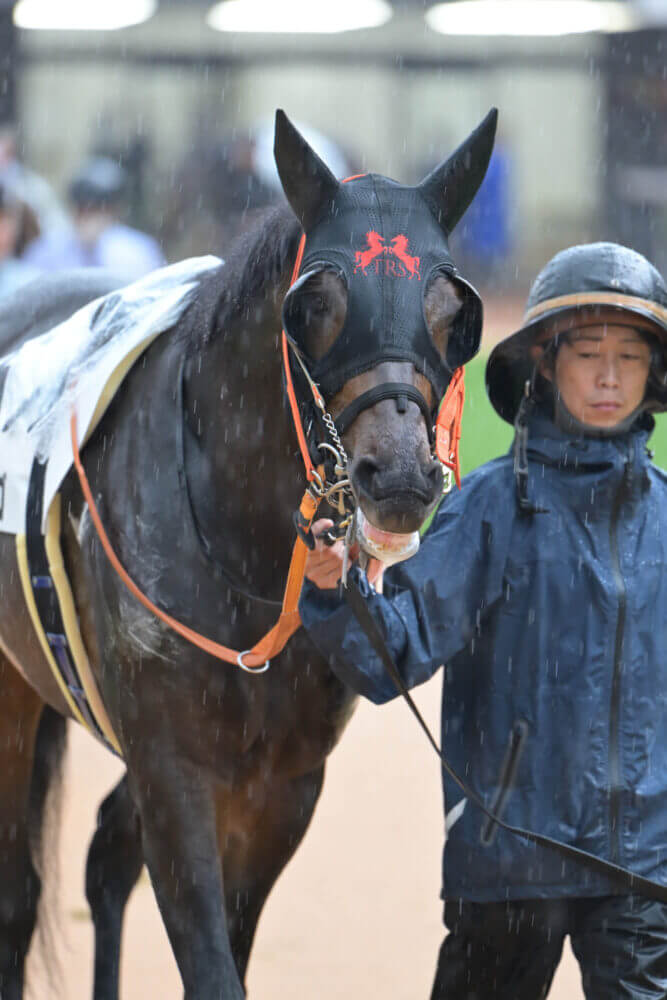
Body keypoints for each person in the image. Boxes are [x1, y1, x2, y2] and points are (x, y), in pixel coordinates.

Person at [300, 241, 667, 999]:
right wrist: (340, 593)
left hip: (641, 870)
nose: (607, 377)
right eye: (588, 353)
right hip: (506, 864)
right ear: (543, 361)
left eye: (628, 358)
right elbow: (388, 659)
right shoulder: (489, 509)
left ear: (651, 376)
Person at [25, 156, 165, 281]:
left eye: (96, 210)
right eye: (83, 209)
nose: (89, 218)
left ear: (114, 211)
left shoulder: (139, 251)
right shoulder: (46, 250)